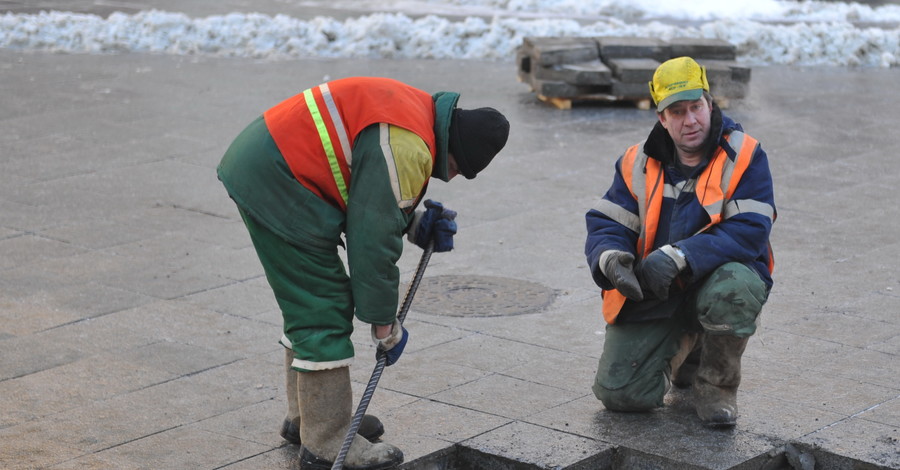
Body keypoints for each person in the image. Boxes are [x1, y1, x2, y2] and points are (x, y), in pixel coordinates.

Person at [217, 76, 509, 469]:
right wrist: (385, 325)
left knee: (307, 302)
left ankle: (308, 417)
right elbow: (371, 244)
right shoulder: (407, 147)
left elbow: (368, 194)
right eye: (458, 168)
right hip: (284, 182)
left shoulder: (415, 114)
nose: (450, 176)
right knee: (323, 307)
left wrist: (413, 220)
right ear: (455, 149)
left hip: (271, 165)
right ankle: (327, 439)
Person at [584, 57, 775, 428]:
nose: (690, 120)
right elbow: (608, 221)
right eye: (677, 111)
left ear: (710, 103)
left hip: (715, 283)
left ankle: (716, 386)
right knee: (620, 395)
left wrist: (680, 256)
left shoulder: (746, 155)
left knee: (734, 289)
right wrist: (609, 258)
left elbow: (750, 230)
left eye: (696, 107)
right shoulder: (635, 161)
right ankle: (689, 344)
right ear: (661, 118)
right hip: (659, 291)